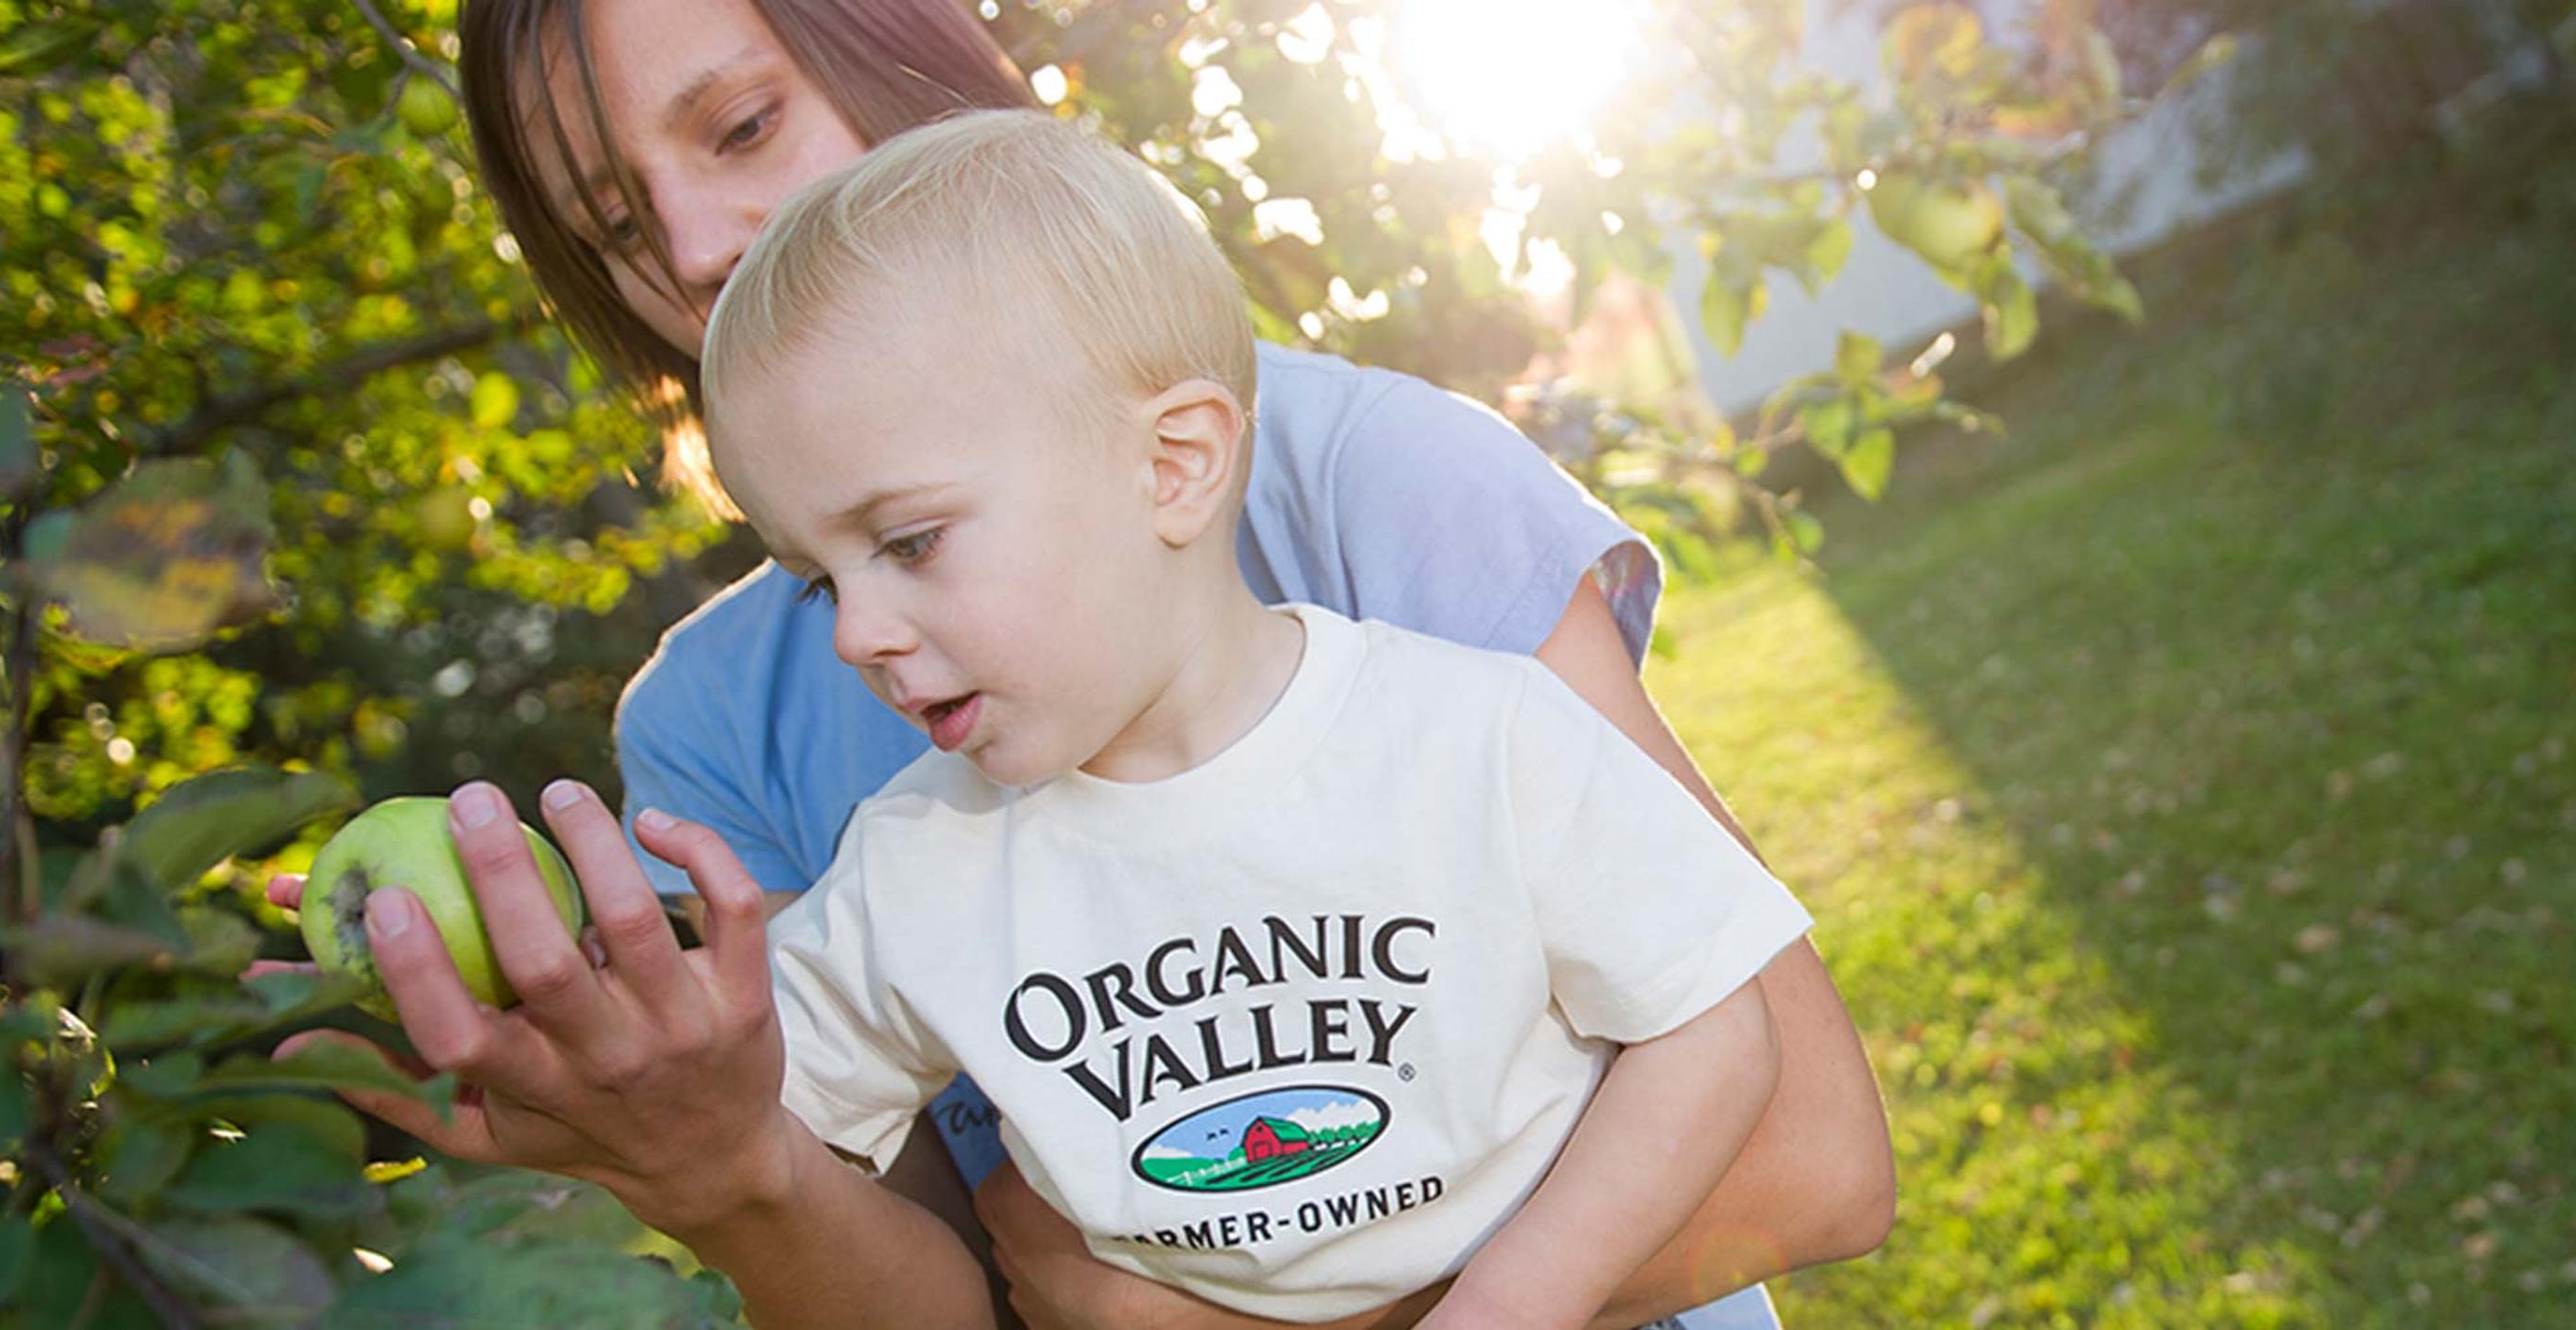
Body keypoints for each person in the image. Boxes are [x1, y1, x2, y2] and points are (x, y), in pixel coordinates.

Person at [271, 0, 1894, 1326]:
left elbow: (1810, 1152)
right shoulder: (761, 753)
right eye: (610, 224)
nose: (692, 249)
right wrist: (675, 1154)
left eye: (743, 124)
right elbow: (886, 1256)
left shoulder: (1384, 521)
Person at [705, 107, 1818, 1328]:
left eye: (908, 541)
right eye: (821, 577)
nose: (856, 631)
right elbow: (747, 1112)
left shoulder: (1471, 739)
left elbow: (1714, 1028)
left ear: (1173, 465)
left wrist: (1500, 1310)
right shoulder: (914, 872)